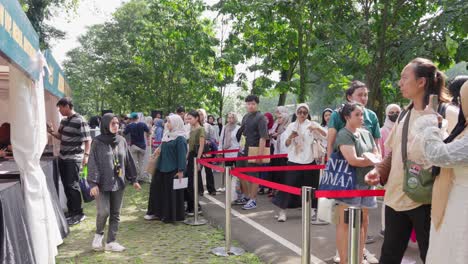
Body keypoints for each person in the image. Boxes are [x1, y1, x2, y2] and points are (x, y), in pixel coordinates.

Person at [365, 58, 458, 264]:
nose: (400, 83)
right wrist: (379, 171)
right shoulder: (403, 115)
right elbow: (394, 153)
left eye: (404, 77)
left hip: (428, 199)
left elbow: (456, 156)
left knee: (432, 257)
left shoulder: (448, 113)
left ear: (421, 82)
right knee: (389, 257)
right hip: (396, 198)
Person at [412, 80, 468, 264]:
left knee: (457, 251)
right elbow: (453, 150)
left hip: (462, 207)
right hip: (452, 201)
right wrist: (437, 129)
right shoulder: (465, 128)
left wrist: (428, 125)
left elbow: (439, 155)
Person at [326, 81, 380, 263]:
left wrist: (373, 160)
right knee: (345, 221)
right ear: (347, 116)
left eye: (362, 115)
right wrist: (371, 160)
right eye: (358, 114)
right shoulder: (342, 130)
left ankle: (358, 254)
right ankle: (343, 258)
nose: (363, 117)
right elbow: (352, 159)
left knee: (364, 219)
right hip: (348, 181)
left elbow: (376, 149)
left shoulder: (366, 130)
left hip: (367, 181)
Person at [87, 113, 141, 252]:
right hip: (102, 183)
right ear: (105, 125)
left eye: (117, 123)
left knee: (116, 213)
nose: (116, 126)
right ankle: (99, 235)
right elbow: (92, 162)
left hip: (119, 182)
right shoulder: (97, 142)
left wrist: (133, 179)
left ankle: (111, 241)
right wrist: (93, 183)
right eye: (113, 123)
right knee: (104, 212)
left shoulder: (121, 140)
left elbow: (128, 160)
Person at [272, 104, 322, 222]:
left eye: (305, 112)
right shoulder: (291, 126)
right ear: (296, 113)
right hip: (294, 160)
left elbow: (326, 136)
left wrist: (317, 129)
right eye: (300, 112)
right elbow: (286, 144)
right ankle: (282, 211)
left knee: (311, 187)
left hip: (309, 160)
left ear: (307, 113)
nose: (302, 114)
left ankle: (312, 211)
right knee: (289, 186)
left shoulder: (312, 125)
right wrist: (291, 136)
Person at [47, 97, 91, 226]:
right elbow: (60, 136)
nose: (59, 110)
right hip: (63, 157)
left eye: (60, 107)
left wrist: (86, 156)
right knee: (67, 185)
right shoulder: (64, 121)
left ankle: (78, 213)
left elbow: (88, 140)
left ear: (67, 106)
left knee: (73, 185)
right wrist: (50, 132)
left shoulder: (80, 120)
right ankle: (71, 211)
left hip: (74, 158)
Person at [145, 115, 187, 223]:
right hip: (161, 167)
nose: (167, 124)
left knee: (170, 194)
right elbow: (162, 148)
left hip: (173, 169)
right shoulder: (167, 135)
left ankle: (170, 215)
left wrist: (181, 170)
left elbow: (182, 155)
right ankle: (157, 213)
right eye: (167, 122)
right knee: (157, 190)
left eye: (169, 122)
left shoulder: (180, 138)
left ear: (176, 123)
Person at [233, 95, 268, 210]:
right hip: (242, 150)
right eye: (248, 104)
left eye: (253, 103)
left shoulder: (261, 117)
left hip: (254, 150)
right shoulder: (245, 116)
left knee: (253, 176)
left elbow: (263, 138)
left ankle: (253, 200)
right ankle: (247, 196)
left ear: (257, 104)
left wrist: (260, 155)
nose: (250, 106)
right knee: (241, 173)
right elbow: (242, 134)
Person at [185, 110, 206, 215]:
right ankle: (190, 206)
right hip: (191, 156)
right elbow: (189, 147)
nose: (188, 120)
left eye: (190, 118)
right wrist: (186, 157)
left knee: (193, 183)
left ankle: (196, 207)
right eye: (187, 119)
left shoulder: (201, 129)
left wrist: (198, 161)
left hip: (197, 157)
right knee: (189, 183)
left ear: (196, 118)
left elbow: (201, 146)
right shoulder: (191, 129)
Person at [123, 113, 151, 183]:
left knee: (134, 163)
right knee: (141, 162)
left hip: (134, 145)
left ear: (131, 119)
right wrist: (147, 135)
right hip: (142, 146)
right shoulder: (143, 124)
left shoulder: (129, 125)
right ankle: (141, 177)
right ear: (138, 117)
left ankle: (136, 177)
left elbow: (124, 133)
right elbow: (149, 132)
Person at [198, 109, 217, 195]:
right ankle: (199, 189)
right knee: (197, 170)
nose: (200, 116)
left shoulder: (208, 126)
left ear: (205, 115)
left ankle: (211, 189)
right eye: (198, 114)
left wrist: (208, 142)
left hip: (206, 150)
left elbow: (213, 139)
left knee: (208, 170)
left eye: (201, 114)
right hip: (197, 150)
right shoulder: (194, 126)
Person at [258, 112, 275, 195]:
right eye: (264, 118)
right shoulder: (261, 127)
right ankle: (261, 187)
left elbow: (270, 137)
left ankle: (269, 187)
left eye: (267, 119)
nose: (266, 120)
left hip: (270, 150)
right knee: (261, 169)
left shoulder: (273, 127)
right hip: (262, 150)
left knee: (268, 169)